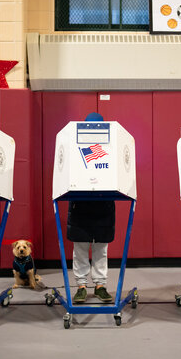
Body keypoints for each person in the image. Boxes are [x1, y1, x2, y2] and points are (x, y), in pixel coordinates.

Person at [67, 112, 116, 303]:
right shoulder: (75, 146)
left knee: (101, 248)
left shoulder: (111, 148)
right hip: (80, 204)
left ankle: (100, 285)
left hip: (103, 204)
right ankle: (81, 286)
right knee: (80, 247)